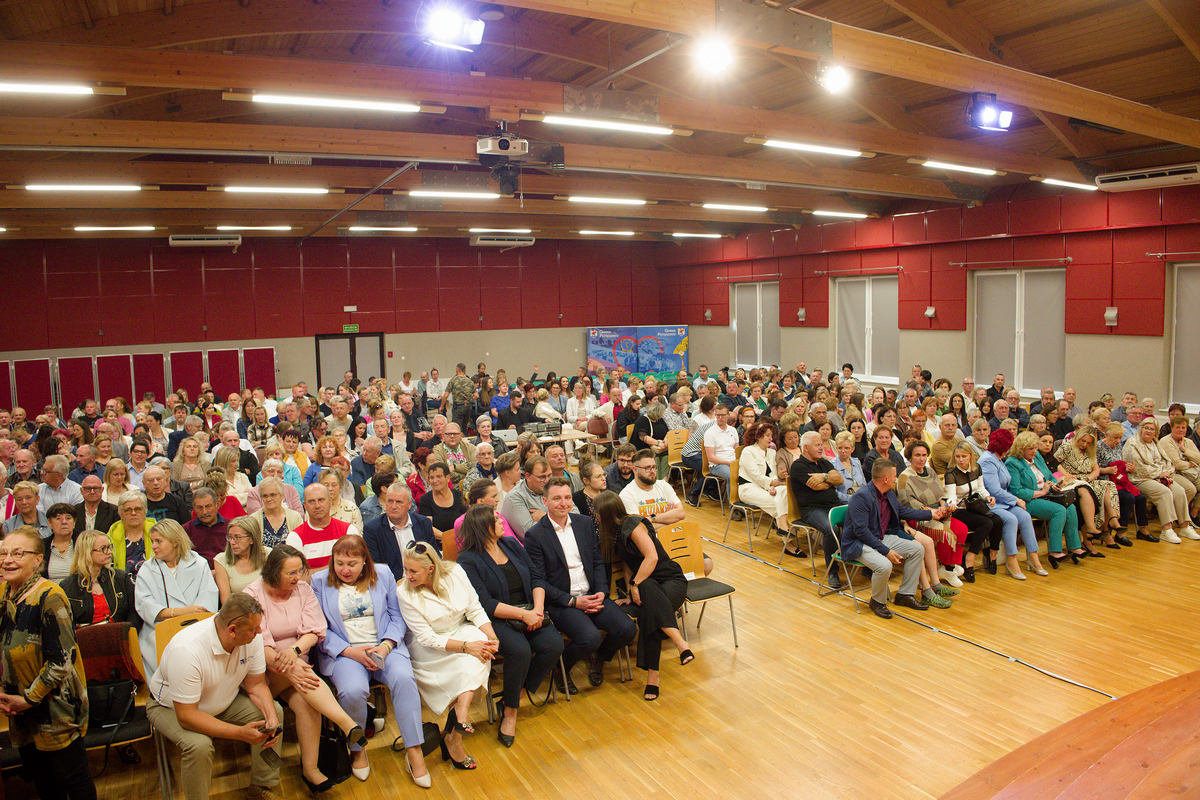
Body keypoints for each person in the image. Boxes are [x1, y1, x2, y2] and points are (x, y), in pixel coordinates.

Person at [243, 545, 366, 793]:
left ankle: (311, 770)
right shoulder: (252, 595)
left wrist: (294, 651)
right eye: (291, 573)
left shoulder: (303, 589)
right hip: (264, 672)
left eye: (300, 571)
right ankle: (346, 724)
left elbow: (314, 631)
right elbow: (258, 645)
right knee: (301, 671)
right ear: (273, 572)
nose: (298, 577)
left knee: (307, 705)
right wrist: (288, 661)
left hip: (297, 667)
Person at [311, 536, 430, 785]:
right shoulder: (319, 581)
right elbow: (320, 629)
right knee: (352, 691)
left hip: (384, 646)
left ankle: (414, 750)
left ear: (365, 561)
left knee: (404, 679)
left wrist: (386, 646)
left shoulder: (383, 574)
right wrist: (351, 652)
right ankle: (357, 749)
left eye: (352, 564)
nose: (345, 570)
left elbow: (397, 617)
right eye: (339, 563)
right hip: (346, 653)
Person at [145, 592, 285, 800]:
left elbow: (256, 685)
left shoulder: (252, 638)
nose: (259, 632)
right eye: (254, 628)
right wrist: (240, 733)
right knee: (199, 746)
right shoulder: (186, 650)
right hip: (170, 708)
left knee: (275, 712)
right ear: (232, 630)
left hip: (222, 700)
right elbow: (187, 716)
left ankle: (260, 787)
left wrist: (271, 717)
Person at [0, 527, 95, 800]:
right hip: (20, 711)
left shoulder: (49, 596)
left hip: (54, 710)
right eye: (3, 553)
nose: (8, 560)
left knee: (73, 779)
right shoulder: (5, 593)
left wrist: (29, 699)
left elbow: (62, 661)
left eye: (18, 553)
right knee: (43, 782)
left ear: (37, 560)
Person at [457, 505, 563, 745]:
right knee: (520, 651)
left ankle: (513, 697)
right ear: (483, 527)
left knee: (554, 645)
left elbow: (536, 577)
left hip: (530, 609)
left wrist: (537, 610)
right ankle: (511, 712)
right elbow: (484, 603)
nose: (501, 521)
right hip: (495, 619)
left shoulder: (511, 544)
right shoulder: (468, 559)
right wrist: (524, 615)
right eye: (495, 519)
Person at [525, 478, 636, 693]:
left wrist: (602, 591)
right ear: (545, 501)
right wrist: (573, 602)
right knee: (589, 638)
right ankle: (561, 668)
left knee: (627, 630)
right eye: (557, 498)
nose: (563, 503)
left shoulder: (584, 523)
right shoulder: (535, 535)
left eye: (567, 497)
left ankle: (599, 659)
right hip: (562, 602)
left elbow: (597, 561)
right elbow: (539, 581)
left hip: (592, 594)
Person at [397, 542, 497, 771]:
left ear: (431, 569)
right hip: (430, 648)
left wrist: (492, 638)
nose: (407, 576)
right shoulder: (404, 592)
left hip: (461, 630)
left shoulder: (456, 573)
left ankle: (457, 724)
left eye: (413, 571)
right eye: (406, 569)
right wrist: (467, 647)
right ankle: (458, 725)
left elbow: (475, 609)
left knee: (481, 650)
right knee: (467, 665)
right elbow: (427, 638)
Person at [591, 492, 691, 700]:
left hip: (670, 579)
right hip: (648, 586)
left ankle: (659, 669)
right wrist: (631, 591)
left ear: (605, 513)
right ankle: (676, 649)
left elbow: (651, 557)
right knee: (649, 608)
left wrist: (635, 585)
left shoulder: (632, 524)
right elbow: (629, 564)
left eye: (597, 512)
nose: (595, 516)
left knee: (648, 600)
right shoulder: (613, 534)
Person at [840, 459, 950, 619]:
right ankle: (877, 602)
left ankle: (905, 594)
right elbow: (861, 532)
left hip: (879, 537)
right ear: (886, 479)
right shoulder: (861, 497)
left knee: (917, 549)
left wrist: (930, 514)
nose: (896, 479)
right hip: (858, 543)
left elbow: (903, 511)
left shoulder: (888, 493)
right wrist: (886, 551)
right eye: (894, 476)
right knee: (884, 565)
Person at [134, 519, 220, 674]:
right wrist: (182, 612)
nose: (153, 546)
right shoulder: (147, 569)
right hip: (158, 630)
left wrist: (188, 617)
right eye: (152, 541)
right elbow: (145, 605)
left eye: (158, 541)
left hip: (195, 627)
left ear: (174, 541)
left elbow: (208, 599)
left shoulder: (198, 563)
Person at [896, 442, 969, 599]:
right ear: (909, 457)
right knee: (947, 533)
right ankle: (945, 568)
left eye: (924, 455)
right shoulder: (905, 477)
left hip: (938, 512)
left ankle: (949, 567)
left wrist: (944, 506)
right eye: (917, 455)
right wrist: (931, 512)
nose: (922, 459)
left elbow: (942, 494)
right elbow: (908, 503)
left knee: (961, 529)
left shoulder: (931, 472)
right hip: (918, 517)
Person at [1004, 431, 1085, 567]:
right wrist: (1042, 492)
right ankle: (1054, 552)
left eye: (1035, 448)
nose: (1034, 451)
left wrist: (1054, 485)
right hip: (1029, 500)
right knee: (1059, 510)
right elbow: (1016, 491)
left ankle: (1074, 547)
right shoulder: (1013, 462)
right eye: (1030, 448)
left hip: (1047, 495)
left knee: (1070, 507)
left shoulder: (1037, 457)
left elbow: (1049, 475)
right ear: (1021, 448)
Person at [979, 429, 1044, 579]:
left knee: (1025, 516)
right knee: (1011, 519)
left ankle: (1033, 557)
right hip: (992, 503)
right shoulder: (987, 460)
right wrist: (1016, 500)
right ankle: (1011, 559)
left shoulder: (998, 459)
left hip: (1004, 501)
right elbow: (994, 490)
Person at [1123, 418, 1198, 543]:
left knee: (1179, 491)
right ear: (1141, 429)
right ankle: (1167, 529)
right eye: (1146, 428)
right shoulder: (1132, 444)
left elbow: (1168, 461)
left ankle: (1184, 526)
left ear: (1156, 432)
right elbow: (1139, 468)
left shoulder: (1155, 443)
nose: (1149, 431)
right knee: (1164, 492)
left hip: (1159, 477)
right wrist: (1160, 473)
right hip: (1140, 479)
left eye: (1152, 429)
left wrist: (1166, 473)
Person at [1056, 426, 1120, 552]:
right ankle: (1091, 529)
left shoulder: (1090, 450)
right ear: (1078, 437)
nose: (1084, 444)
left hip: (1086, 479)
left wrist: (1088, 479)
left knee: (1108, 485)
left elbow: (1096, 470)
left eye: (1088, 443)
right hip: (1071, 480)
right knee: (1085, 489)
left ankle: (1113, 520)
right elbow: (1055, 463)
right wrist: (1067, 475)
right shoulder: (1067, 446)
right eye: (1083, 441)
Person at [61, 528, 140, 629]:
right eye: (103, 548)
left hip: (119, 634)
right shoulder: (68, 586)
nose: (109, 552)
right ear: (87, 552)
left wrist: (126, 631)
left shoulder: (120, 578)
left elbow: (134, 612)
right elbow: (67, 625)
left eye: (109, 547)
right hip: (86, 637)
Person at [788, 431, 843, 569]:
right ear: (806, 448)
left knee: (860, 519)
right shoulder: (798, 466)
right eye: (817, 445)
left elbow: (840, 480)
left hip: (834, 505)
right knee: (831, 530)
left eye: (821, 445)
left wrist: (823, 477)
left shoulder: (824, 462)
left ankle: (855, 559)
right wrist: (830, 482)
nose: (821, 448)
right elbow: (818, 486)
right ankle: (832, 570)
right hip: (812, 510)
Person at [363, 482, 440, 577]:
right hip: (392, 582)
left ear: (409, 504)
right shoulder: (372, 529)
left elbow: (434, 557)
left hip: (423, 579)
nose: (393, 506)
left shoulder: (423, 523)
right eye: (390, 501)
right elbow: (375, 567)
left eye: (399, 502)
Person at [735, 421, 790, 537]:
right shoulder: (748, 451)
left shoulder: (772, 452)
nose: (771, 439)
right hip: (749, 488)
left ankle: (784, 529)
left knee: (786, 492)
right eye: (767, 435)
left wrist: (776, 481)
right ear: (758, 437)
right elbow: (756, 476)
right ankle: (787, 537)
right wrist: (772, 483)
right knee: (781, 504)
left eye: (771, 435)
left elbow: (773, 474)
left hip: (768, 487)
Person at [287, 484, 359, 570]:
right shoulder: (295, 537)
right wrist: (336, 568)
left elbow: (356, 567)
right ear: (305, 506)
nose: (317, 505)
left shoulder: (348, 531)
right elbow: (300, 575)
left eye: (321, 500)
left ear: (330, 501)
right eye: (311, 501)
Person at [619, 449, 687, 530]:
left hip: (670, 536)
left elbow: (681, 513)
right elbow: (640, 527)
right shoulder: (627, 494)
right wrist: (668, 520)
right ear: (635, 470)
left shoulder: (664, 486)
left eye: (654, 467)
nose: (652, 471)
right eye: (647, 468)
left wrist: (652, 518)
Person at [214, 515, 271, 602]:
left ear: (252, 539)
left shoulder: (268, 555)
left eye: (237, 537)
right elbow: (226, 601)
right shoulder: (221, 560)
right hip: (236, 608)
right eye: (230, 537)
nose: (232, 542)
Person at [418, 461, 467, 540]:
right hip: (438, 542)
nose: (435, 481)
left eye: (439, 476)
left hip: (461, 539)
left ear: (448, 478)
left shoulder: (459, 496)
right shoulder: (425, 500)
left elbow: (467, 521)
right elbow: (427, 526)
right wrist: (448, 539)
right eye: (432, 478)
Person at [184, 487, 231, 568]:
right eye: (199, 507)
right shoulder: (186, 530)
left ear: (217, 504)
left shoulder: (230, 527)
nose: (204, 512)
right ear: (194, 508)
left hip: (226, 571)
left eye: (208, 506)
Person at [831, 430, 867, 504]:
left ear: (853, 449)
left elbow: (864, 485)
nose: (843, 451)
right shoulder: (831, 465)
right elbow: (833, 492)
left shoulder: (856, 462)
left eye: (847, 448)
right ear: (836, 448)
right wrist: (853, 499)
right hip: (842, 504)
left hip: (860, 502)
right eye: (840, 448)